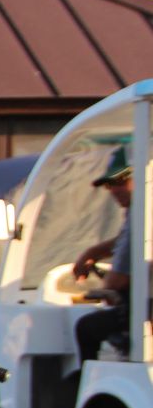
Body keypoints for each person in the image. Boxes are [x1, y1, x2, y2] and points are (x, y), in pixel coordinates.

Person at [71, 146, 137, 364]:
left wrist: (104, 287)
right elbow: (122, 243)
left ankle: (85, 385)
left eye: (121, 181)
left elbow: (117, 281)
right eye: (110, 184)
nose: (114, 190)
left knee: (85, 327)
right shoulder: (138, 212)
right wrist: (92, 253)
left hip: (141, 314)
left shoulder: (141, 215)